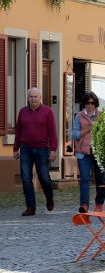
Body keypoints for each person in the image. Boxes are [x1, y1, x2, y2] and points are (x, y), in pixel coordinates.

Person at [13, 87, 58, 216]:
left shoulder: (47, 112)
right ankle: (31, 207)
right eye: (31, 97)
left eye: (35, 97)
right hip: (25, 149)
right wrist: (16, 148)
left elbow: (52, 133)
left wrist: (53, 150)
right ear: (28, 98)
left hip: (42, 149)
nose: (33, 99)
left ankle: (49, 199)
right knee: (26, 179)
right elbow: (18, 132)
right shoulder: (22, 112)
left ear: (40, 98)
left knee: (44, 178)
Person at [72, 92, 105, 213]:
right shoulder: (79, 116)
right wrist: (89, 128)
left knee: (100, 179)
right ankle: (84, 205)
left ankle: (99, 204)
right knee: (85, 178)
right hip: (83, 153)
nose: (90, 105)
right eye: (88, 102)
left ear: (96, 104)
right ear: (84, 104)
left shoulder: (101, 116)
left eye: (92, 103)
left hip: (98, 152)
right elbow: (75, 134)